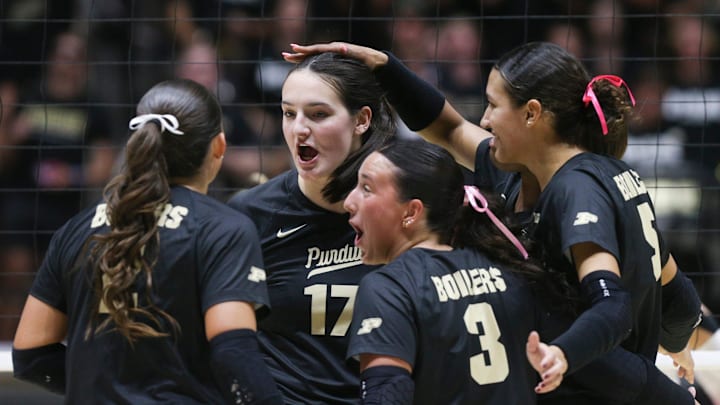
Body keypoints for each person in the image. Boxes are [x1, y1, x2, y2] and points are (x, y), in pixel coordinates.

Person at [284, 41, 703, 404]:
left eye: (493, 104)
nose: (483, 119)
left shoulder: (578, 190)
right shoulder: (521, 168)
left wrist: (566, 356)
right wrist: (384, 66)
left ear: (532, 114)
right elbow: (447, 129)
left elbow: (613, 308)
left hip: (599, 384)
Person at [11, 78, 283, 404]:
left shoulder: (78, 228)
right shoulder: (223, 229)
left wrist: (106, 385)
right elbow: (234, 351)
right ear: (219, 146)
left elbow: (30, 355)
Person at [227, 52, 396, 403]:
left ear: (362, 120)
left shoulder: (401, 209)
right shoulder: (252, 214)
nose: (299, 128)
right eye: (289, 113)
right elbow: (228, 345)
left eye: (318, 114)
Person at [344, 139, 558, 403]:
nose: (349, 202)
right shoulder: (510, 269)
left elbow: (386, 394)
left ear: (411, 212)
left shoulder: (390, 286)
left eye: (366, 188)